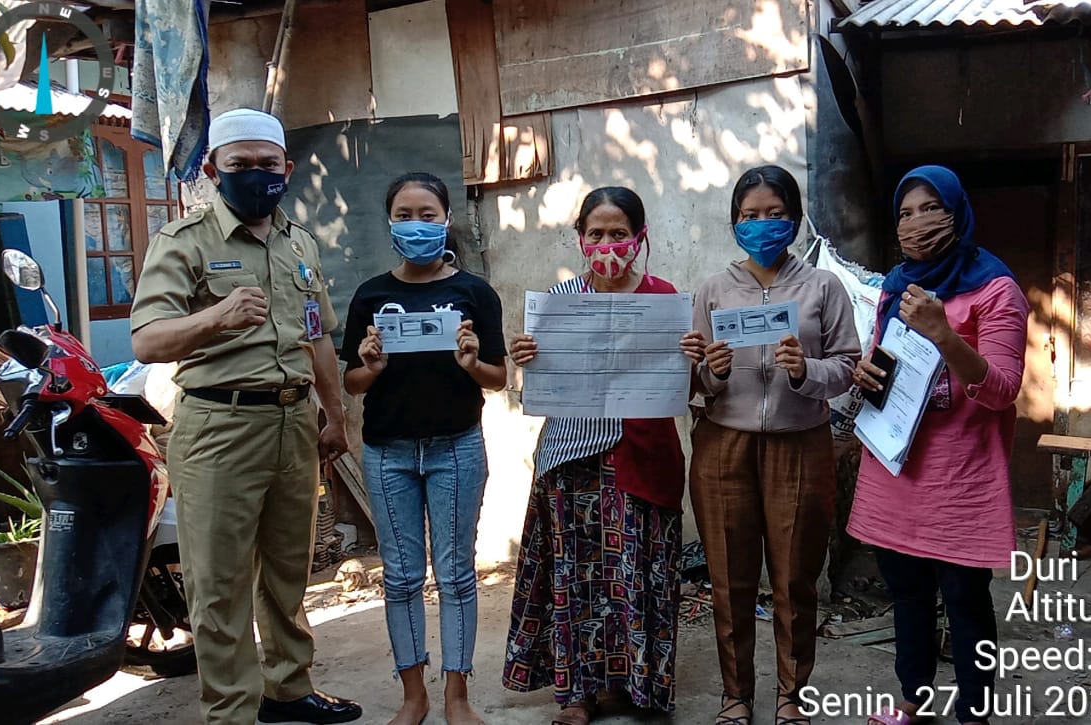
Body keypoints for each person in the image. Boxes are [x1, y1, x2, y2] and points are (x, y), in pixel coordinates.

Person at [130, 108, 362, 725]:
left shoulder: (299, 242)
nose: (256, 174)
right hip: (219, 427)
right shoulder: (184, 240)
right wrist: (216, 317)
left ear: (287, 168)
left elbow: (318, 337)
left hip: (293, 424)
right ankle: (231, 710)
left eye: (267, 164)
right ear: (213, 170)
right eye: (240, 164)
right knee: (219, 583)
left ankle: (288, 690)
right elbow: (147, 341)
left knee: (289, 570)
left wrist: (334, 415)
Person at [502, 186, 707, 725]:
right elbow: (540, 387)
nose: (607, 244)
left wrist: (692, 360)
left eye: (619, 233)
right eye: (596, 234)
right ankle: (576, 694)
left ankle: (629, 686)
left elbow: (685, 390)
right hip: (571, 459)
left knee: (636, 574)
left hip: (642, 457)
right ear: (580, 239)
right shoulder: (560, 301)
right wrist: (528, 358)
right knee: (576, 579)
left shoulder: (665, 300)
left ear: (639, 238)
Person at [848, 165, 1027, 725]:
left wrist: (944, 333)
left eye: (931, 208)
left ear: (957, 212)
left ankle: (974, 713)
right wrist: (866, 373)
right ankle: (913, 698)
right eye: (905, 212)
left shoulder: (996, 289)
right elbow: (885, 360)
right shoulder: (895, 287)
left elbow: (1001, 389)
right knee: (906, 594)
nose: (916, 222)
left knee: (966, 599)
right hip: (896, 468)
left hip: (961, 475)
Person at [691, 165, 860, 725]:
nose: (761, 225)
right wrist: (713, 371)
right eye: (749, 215)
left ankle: (792, 693)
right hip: (724, 445)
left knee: (794, 577)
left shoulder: (822, 287)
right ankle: (735, 695)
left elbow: (848, 366)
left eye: (774, 214)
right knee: (729, 578)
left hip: (800, 443)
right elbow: (695, 381)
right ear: (734, 222)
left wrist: (805, 370)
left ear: (794, 218)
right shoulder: (714, 290)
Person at [340, 172, 506, 725]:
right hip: (387, 453)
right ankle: (414, 697)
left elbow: (498, 378)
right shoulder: (371, 296)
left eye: (427, 215)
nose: (416, 225)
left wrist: (472, 362)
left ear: (446, 219)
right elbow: (352, 383)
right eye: (405, 215)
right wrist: (370, 366)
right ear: (389, 222)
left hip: (456, 449)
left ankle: (457, 697)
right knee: (401, 577)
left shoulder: (475, 293)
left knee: (456, 575)